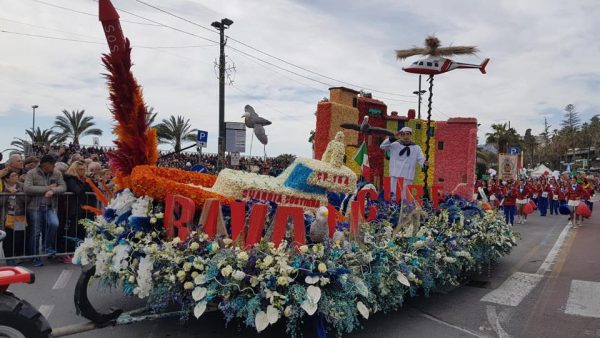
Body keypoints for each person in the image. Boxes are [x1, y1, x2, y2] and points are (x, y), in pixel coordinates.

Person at [23, 155, 66, 266]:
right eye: (50, 166)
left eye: (53, 166)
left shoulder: (57, 173)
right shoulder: (31, 173)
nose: (52, 168)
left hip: (50, 207)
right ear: (43, 165)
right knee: (35, 233)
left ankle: (47, 247)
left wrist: (54, 190)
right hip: (35, 208)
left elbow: (63, 187)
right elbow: (27, 188)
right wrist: (47, 189)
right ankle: (35, 257)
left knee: (54, 224)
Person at [379, 127, 427, 199]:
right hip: (395, 175)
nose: (405, 136)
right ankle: (393, 208)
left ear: (410, 135)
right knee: (393, 196)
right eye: (403, 134)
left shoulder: (416, 148)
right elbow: (382, 146)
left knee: (405, 198)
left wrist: (424, 163)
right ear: (400, 135)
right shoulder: (395, 144)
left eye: (407, 134)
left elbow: (421, 159)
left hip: (408, 176)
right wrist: (392, 138)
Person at [61, 161, 93, 262]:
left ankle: (80, 253)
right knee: (73, 231)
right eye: (80, 169)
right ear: (75, 169)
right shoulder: (70, 179)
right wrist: (87, 182)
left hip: (85, 208)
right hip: (75, 209)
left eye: (84, 169)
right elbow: (78, 191)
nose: (83, 171)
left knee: (82, 232)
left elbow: (92, 190)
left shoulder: (83, 179)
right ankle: (70, 253)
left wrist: (92, 181)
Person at [0, 170, 27, 264]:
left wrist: (18, 193)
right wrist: (8, 193)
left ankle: (17, 256)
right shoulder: (3, 187)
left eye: (16, 175)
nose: (16, 176)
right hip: (7, 216)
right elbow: (1, 202)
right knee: (8, 238)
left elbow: (27, 200)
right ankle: (9, 258)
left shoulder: (21, 186)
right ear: (7, 178)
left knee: (18, 237)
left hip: (19, 216)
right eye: (13, 175)